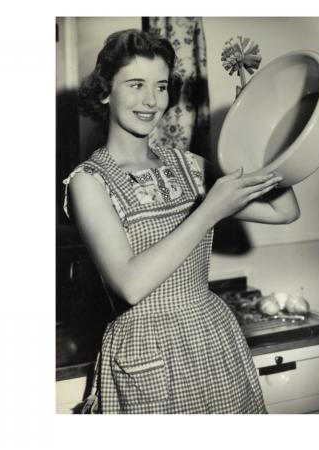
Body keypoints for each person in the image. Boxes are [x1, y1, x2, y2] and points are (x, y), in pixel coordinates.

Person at [63, 29, 300, 414]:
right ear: (105, 91)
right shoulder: (89, 181)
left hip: (212, 338)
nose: (151, 101)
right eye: (136, 84)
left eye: (161, 86)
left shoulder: (187, 166)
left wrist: (258, 137)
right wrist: (209, 210)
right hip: (146, 355)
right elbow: (129, 284)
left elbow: (283, 211)